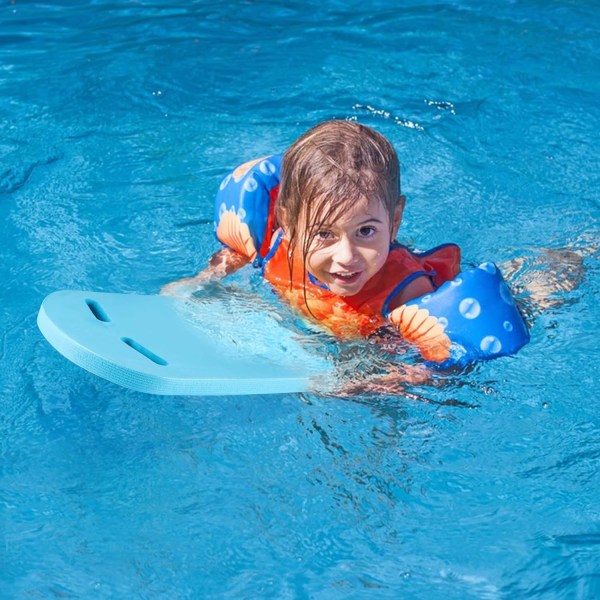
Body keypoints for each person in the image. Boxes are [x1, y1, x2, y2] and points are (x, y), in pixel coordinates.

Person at [162, 120, 533, 393]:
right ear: (288, 224)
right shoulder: (275, 244)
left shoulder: (408, 295)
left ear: (396, 219)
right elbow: (234, 256)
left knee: (532, 298)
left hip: (380, 332)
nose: (346, 257)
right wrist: (198, 284)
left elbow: (435, 369)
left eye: (366, 232)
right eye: (324, 234)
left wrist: (378, 382)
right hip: (323, 321)